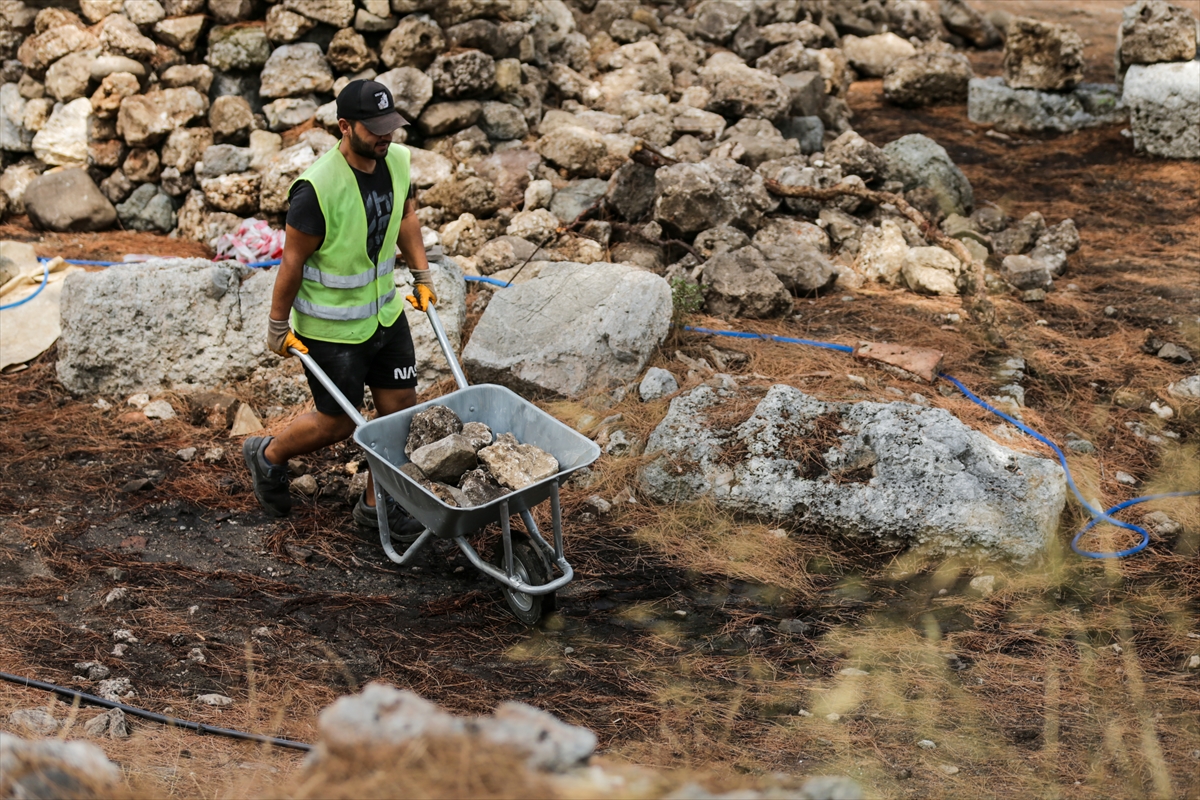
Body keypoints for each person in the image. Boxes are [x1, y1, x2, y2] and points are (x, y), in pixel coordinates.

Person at [242, 79, 435, 542]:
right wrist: (276, 325)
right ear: (345, 127)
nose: (386, 137)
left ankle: (376, 505)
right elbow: (292, 261)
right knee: (339, 422)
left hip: (386, 316)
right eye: (375, 129)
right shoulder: (316, 188)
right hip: (332, 330)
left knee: (398, 413)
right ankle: (268, 456)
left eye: (391, 126)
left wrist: (422, 275)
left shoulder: (399, 162)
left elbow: (406, 216)